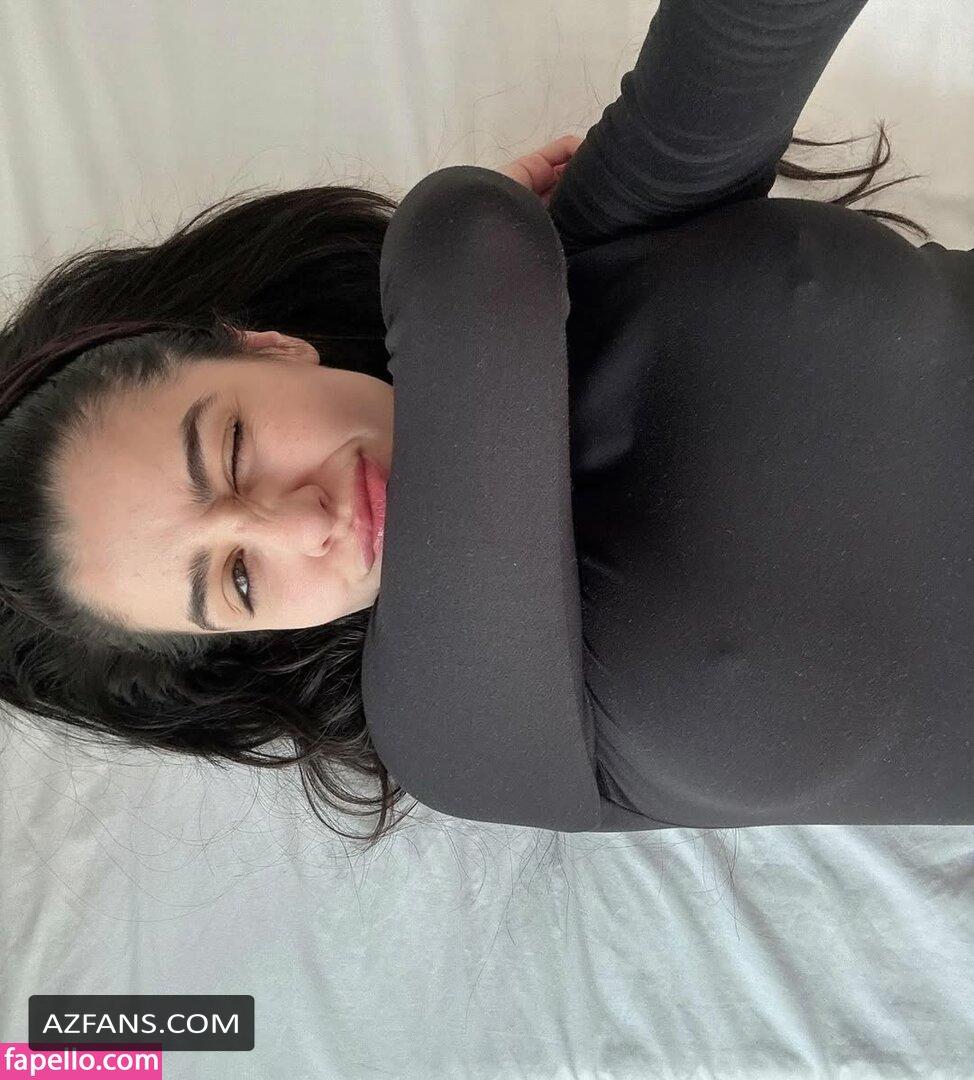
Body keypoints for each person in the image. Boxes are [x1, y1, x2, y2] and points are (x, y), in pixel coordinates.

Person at [0, 0, 966, 844]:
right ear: (252, 637)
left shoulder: (575, 261)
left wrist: (517, 256)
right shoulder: (452, 737)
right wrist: (481, 250)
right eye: (239, 578)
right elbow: (461, 235)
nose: (303, 521)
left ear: (270, 348)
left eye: (233, 450)